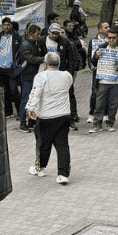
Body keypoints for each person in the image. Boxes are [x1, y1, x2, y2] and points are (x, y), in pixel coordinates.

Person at [26, 53, 73, 185]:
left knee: (43, 144)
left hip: (46, 116)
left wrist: (30, 109)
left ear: (45, 64)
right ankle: (63, 174)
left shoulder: (41, 76)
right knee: (62, 145)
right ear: (58, 63)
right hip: (63, 115)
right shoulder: (67, 75)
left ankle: (40, 168)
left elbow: (35, 94)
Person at [88, 28, 118, 133]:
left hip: (116, 82)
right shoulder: (101, 48)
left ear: (117, 38)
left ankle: (110, 123)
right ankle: (97, 125)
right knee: (99, 104)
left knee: (113, 104)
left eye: (114, 38)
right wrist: (96, 57)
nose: (112, 40)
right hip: (103, 81)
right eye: (110, 38)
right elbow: (93, 63)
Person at [0, 18, 23, 118]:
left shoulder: (17, 37)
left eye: (8, 25)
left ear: (11, 26)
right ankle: (9, 112)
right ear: (2, 26)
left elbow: (20, 52)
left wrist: (18, 66)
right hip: (1, 68)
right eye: (5, 25)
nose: (7, 27)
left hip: (12, 68)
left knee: (14, 90)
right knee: (5, 91)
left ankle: (20, 112)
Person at [16, 25, 46, 131]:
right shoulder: (25, 45)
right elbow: (31, 59)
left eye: (39, 34)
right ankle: (22, 123)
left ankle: (31, 121)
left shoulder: (36, 44)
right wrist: (45, 58)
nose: (38, 36)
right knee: (26, 100)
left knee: (35, 99)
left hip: (35, 76)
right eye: (36, 34)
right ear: (30, 34)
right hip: (26, 76)